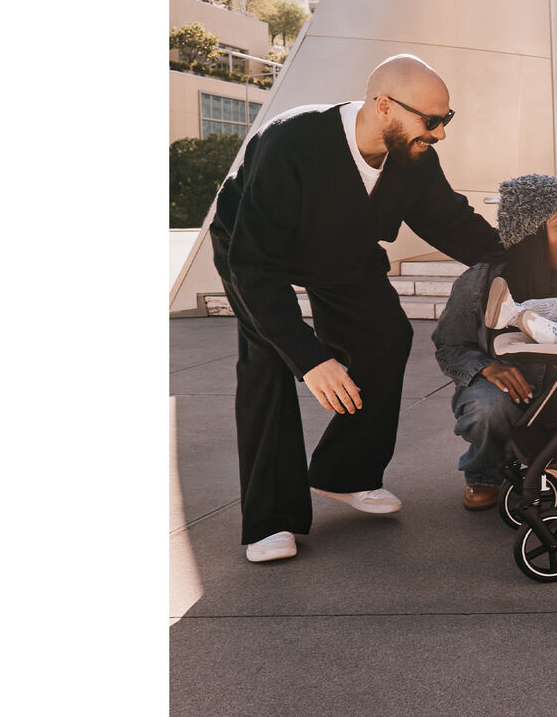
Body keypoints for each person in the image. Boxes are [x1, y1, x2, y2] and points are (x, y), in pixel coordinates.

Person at [210, 54, 501, 562]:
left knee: (387, 336)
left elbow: (454, 224)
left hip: (342, 250)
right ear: (383, 106)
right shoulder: (292, 141)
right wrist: (311, 357)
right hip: (253, 252)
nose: (440, 133)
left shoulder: (413, 159)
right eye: (430, 120)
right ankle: (270, 520)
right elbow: (254, 268)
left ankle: (345, 472)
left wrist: (525, 261)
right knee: (267, 362)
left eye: (445, 120)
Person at [432, 174, 557, 511]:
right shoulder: (479, 280)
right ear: (530, 233)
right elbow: (449, 346)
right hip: (499, 392)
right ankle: (484, 473)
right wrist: (486, 367)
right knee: (487, 408)